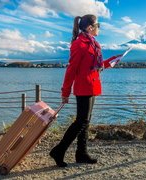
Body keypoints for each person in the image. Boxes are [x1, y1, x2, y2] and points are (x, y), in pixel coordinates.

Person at [49, 14, 119, 167]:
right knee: (81, 122)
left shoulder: (93, 43)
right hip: (83, 87)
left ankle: (82, 153)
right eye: (98, 25)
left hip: (92, 86)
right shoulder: (79, 44)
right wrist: (65, 92)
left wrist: (111, 61)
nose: (99, 28)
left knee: (85, 122)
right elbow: (71, 70)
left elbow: (94, 67)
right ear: (90, 28)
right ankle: (58, 151)